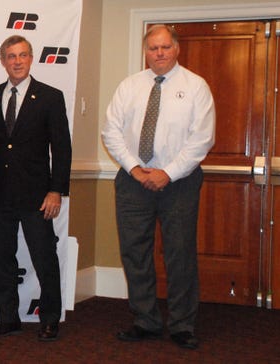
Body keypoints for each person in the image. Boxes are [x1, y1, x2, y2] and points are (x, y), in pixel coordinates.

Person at [102, 24, 215, 350]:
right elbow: (111, 131)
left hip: (179, 182)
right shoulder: (129, 87)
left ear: (176, 49)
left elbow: (202, 138)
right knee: (134, 252)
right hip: (132, 181)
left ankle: (182, 324)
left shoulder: (196, 87)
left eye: (165, 47)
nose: (159, 53)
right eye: (153, 48)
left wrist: (168, 172)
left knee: (179, 253)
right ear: (145, 51)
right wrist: (136, 168)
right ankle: (145, 321)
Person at [0, 35, 72, 342]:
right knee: (2, 259)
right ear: (2, 60)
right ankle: (8, 318)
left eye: (22, 55)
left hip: (38, 196)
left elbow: (62, 149)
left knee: (44, 258)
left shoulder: (50, 96)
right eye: (10, 56)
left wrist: (56, 190)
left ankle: (49, 318)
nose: (17, 61)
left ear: (31, 58)